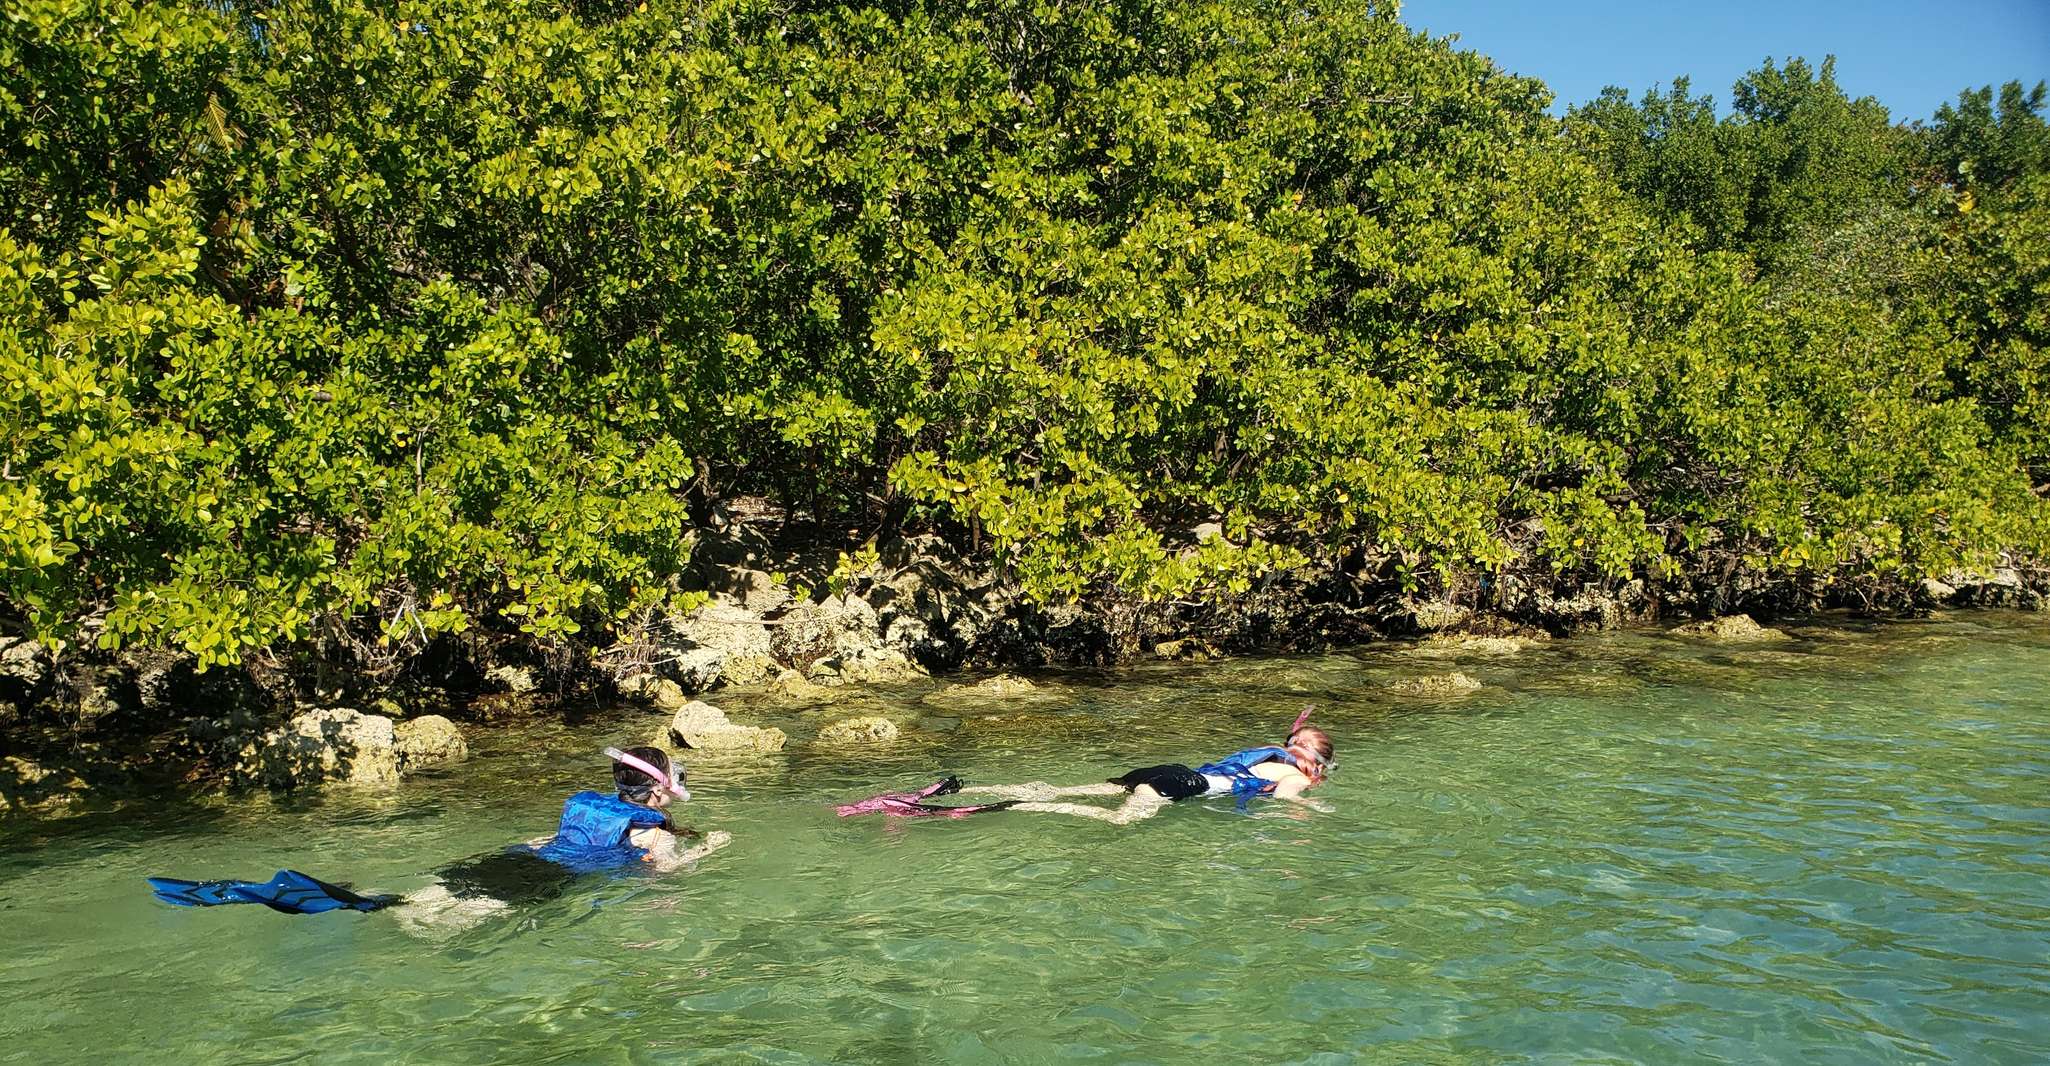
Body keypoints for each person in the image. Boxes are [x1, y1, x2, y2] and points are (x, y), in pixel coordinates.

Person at [148, 746, 730, 930]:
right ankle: (333, 903)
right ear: (658, 791)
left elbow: (547, 837)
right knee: (441, 916)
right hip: (550, 878)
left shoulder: (584, 804)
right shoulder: (650, 832)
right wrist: (709, 848)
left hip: (523, 857)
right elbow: (665, 873)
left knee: (417, 898)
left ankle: (329, 896)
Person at [835, 709, 1335, 825]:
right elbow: (1284, 811)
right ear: (1315, 764)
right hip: (1176, 788)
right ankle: (1014, 803)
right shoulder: (1293, 775)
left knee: (1060, 785)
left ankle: (954, 786)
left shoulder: (1265, 753)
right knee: (1118, 821)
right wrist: (1315, 815)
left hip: (1169, 768)